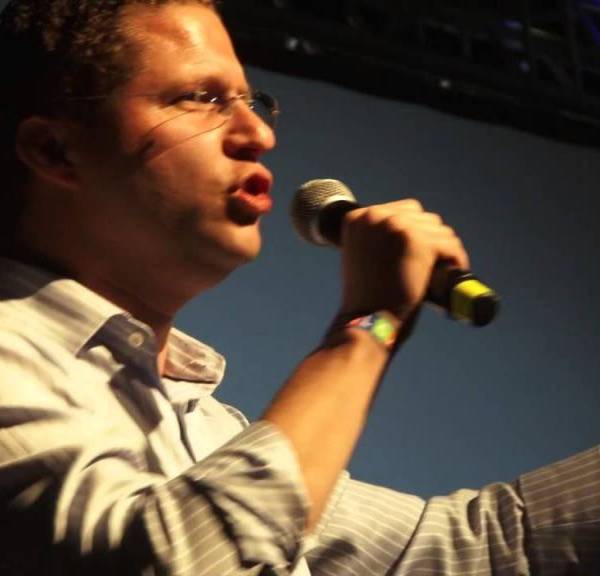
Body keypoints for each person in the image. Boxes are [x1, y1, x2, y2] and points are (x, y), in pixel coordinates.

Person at [0, 0, 597, 574]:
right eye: (200, 97)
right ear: (55, 150)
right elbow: (182, 563)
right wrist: (368, 328)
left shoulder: (210, 428)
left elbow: (481, 550)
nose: (259, 133)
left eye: (253, 101)